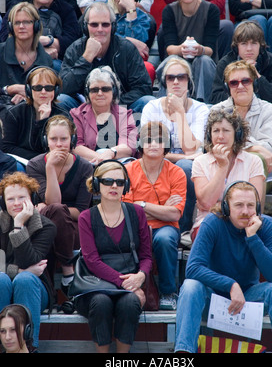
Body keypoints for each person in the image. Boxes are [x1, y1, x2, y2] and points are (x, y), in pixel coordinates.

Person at [175, 181, 272, 354]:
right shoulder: (212, 223)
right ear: (226, 208)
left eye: (250, 205)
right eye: (239, 205)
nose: (246, 211)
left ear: (257, 207)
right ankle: (184, 353)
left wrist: (253, 238)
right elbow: (193, 268)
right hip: (213, 298)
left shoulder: (267, 225)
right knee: (190, 286)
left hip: (249, 297)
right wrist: (231, 285)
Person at [75, 160, 152, 353]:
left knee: (130, 302)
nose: (114, 186)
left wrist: (141, 276)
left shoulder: (137, 213)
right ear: (97, 184)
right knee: (101, 302)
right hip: (95, 284)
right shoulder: (86, 217)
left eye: (119, 182)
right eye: (108, 181)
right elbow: (91, 261)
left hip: (131, 282)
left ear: (125, 186)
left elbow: (146, 256)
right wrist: (125, 283)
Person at [26, 115, 93, 296]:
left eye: (63, 139)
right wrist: (50, 169)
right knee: (55, 211)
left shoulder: (85, 167)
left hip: (73, 226)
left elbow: (80, 212)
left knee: (55, 211)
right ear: (46, 141)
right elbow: (55, 202)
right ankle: (68, 270)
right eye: (53, 139)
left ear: (72, 139)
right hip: (46, 224)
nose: (59, 144)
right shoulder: (35, 165)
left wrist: (49, 208)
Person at [123, 121, 187, 310]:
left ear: (166, 145)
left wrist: (141, 204)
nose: (153, 144)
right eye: (148, 140)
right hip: (134, 226)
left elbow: (174, 213)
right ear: (140, 144)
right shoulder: (128, 170)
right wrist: (160, 208)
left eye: (159, 140)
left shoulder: (176, 172)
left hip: (166, 228)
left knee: (165, 239)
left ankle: (168, 292)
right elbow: (126, 208)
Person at [141, 57, 208, 233]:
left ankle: (182, 228)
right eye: (171, 78)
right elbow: (149, 149)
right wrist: (185, 157)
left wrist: (180, 112)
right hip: (157, 162)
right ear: (165, 82)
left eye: (182, 77)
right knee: (185, 163)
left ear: (189, 81)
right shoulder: (151, 108)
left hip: (187, 166)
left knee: (186, 167)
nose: (176, 81)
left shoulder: (201, 109)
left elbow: (191, 147)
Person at [60, 1, 154, 112]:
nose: (100, 29)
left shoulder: (126, 48)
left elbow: (143, 88)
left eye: (105, 24)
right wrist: (86, 58)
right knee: (61, 100)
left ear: (113, 27)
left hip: (120, 108)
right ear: (86, 27)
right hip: (84, 110)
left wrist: (112, 103)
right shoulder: (75, 49)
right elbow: (64, 88)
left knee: (148, 102)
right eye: (94, 25)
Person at [211, 21, 272, 135]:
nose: (249, 49)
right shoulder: (225, 63)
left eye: (253, 43)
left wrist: (258, 77)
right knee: (210, 111)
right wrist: (240, 95)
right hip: (234, 113)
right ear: (236, 46)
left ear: (261, 45)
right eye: (243, 43)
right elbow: (215, 98)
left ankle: (241, 133)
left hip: (263, 113)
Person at [0, 172, 56, 350]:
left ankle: (29, 347)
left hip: (35, 288)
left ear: (31, 199)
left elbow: (28, 260)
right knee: (1, 279)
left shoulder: (46, 226)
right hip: (5, 284)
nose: (16, 203)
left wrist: (19, 225)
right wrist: (18, 272)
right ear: (3, 202)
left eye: (21, 197)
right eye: (10, 199)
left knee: (24, 280)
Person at [212, 60, 272, 192]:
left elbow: (268, 147)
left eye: (246, 81)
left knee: (257, 158)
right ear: (227, 87)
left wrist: (236, 145)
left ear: (255, 84)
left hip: (262, 170)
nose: (240, 86)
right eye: (234, 83)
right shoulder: (217, 110)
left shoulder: (267, 109)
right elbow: (213, 145)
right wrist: (255, 147)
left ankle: (255, 212)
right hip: (226, 168)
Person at [191, 108, 265, 241]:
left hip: (243, 221)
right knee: (209, 228)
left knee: (266, 224)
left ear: (237, 134)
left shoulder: (254, 161)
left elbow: (254, 203)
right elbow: (206, 202)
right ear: (209, 135)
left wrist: (220, 205)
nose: (220, 136)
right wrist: (222, 166)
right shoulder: (200, 162)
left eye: (226, 130)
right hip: (208, 223)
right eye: (216, 131)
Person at [0, 0, 81, 73]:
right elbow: (5, 37)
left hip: (55, 62)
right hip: (18, 59)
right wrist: (40, 51)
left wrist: (48, 40)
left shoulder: (66, 10)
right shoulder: (17, 8)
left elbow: (72, 41)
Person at [156, 0, 219, 103]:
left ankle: (203, 104)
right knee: (169, 63)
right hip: (178, 56)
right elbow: (170, 47)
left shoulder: (211, 10)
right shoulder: (169, 11)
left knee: (203, 60)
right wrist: (182, 49)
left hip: (203, 58)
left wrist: (199, 49)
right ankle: (164, 104)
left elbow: (209, 49)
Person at [70, 66, 138, 165]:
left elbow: (129, 146)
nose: (100, 93)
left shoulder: (125, 114)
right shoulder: (77, 114)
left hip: (120, 165)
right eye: (94, 90)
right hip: (89, 165)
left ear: (114, 92)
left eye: (105, 89)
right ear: (88, 93)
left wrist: (111, 153)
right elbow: (76, 146)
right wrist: (103, 159)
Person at [1, 66, 71, 162]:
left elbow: (63, 148)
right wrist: (37, 160)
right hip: (21, 163)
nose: (43, 92)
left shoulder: (63, 116)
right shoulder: (14, 113)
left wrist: (43, 122)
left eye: (49, 88)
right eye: (38, 87)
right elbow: (6, 147)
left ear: (56, 90)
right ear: (29, 89)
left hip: (54, 163)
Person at [101, 0, 156, 83]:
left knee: (148, 68)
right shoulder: (100, 10)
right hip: (104, 60)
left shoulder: (142, 17)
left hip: (129, 64)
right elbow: (100, 39)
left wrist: (131, 11)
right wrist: (128, 40)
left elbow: (135, 51)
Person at [0, 2, 53, 115]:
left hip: (32, 111)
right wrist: (9, 90)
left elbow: (49, 93)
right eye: (17, 22)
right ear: (10, 27)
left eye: (26, 22)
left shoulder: (46, 60)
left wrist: (29, 96)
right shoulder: (1, 51)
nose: (21, 26)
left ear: (36, 25)